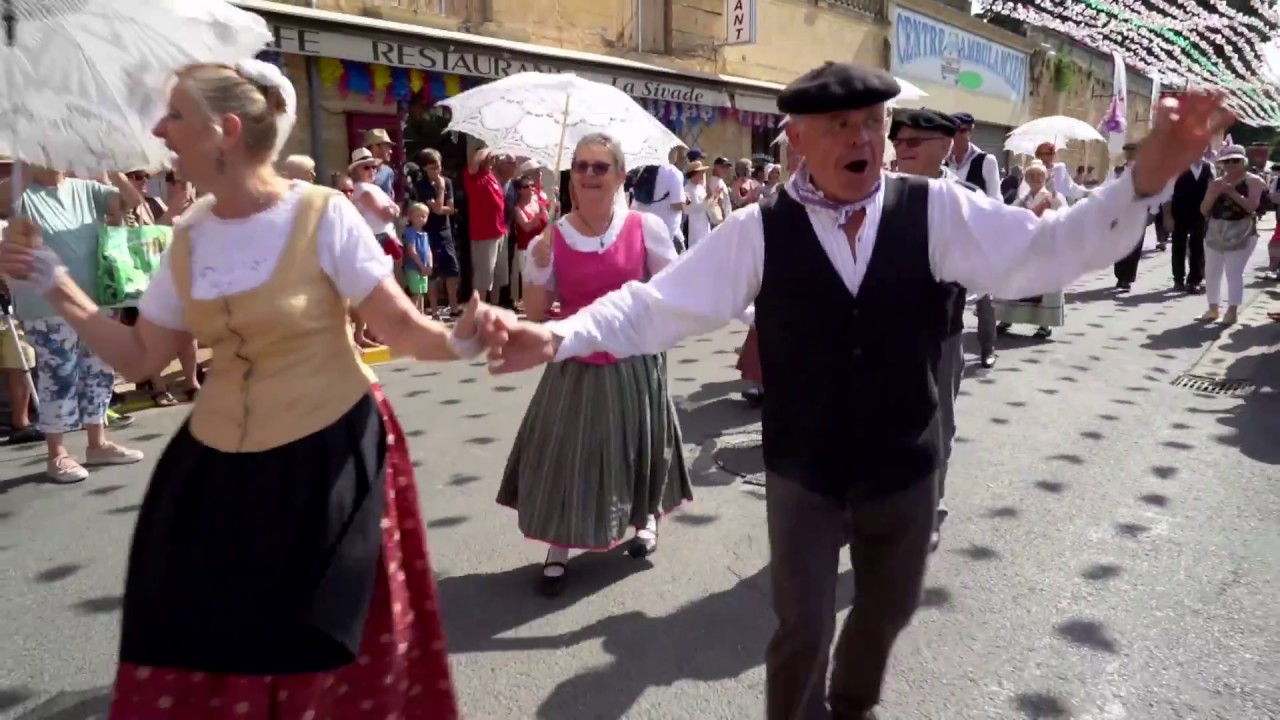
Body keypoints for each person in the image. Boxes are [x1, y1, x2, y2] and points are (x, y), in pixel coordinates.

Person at [474, 63, 1229, 719]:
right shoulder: (758, 227)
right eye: (839, 125)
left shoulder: (934, 207)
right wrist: (559, 336)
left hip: (905, 464)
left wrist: (1146, 179)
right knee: (801, 629)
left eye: (873, 121)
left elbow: (1046, 251)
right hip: (804, 471)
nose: (862, 139)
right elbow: (657, 304)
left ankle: (853, 704)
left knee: (888, 608)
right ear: (796, 139)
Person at [0, 59, 479, 719]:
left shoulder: (320, 213)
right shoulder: (188, 236)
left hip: (329, 451)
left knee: (320, 639)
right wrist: (58, 284)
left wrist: (465, 339)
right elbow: (141, 358)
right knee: (198, 630)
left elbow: (400, 325)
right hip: (217, 466)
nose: (161, 129)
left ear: (224, 130)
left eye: (176, 116)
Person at [501, 132, 688, 597]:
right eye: (580, 166)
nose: (587, 175)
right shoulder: (552, 236)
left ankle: (645, 520)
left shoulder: (647, 229)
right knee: (568, 453)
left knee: (640, 444)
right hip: (575, 358)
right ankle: (560, 545)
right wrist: (537, 266)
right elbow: (538, 312)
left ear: (621, 176)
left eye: (600, 167)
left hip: (634, 359)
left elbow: (673, 294)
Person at [0, 164, 147, 483]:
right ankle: (57, 454)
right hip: (46, 303)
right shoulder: (20, 191)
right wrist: (25, 168)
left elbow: (130, 202)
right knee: (59, 374)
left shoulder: (86, 188)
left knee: (99, 371)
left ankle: (98, 444)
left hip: (97, 298)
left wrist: (110, 168)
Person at [891, 108, 977, 553]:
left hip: (939, 334)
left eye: (912, 143)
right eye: (898, 143)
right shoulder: (875, 196)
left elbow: (984, 266)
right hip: (882, 335)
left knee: (936, 424)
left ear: (944, 146)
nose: (900, 151)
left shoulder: (963, 199)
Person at [947, 112, 1002, 368]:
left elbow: (996, 199)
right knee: (949, 294)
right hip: (949, 235)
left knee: (983, 297)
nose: (960, 135)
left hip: (978, 235)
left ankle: (988, 347)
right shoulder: (944, 162)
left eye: (965, 130)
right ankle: (949, 350)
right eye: (955, 130)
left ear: (971, 132)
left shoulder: (985, 160)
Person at [994, 161, 1068, 339]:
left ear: (1045, 178)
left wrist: (1054, 206)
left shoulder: (1053, 198)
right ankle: (1007, 317)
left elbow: (1064, 218)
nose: (1035, 179)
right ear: (1026, 179)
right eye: (1031, 176)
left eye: (1039, 176)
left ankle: (1045, 324)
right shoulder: (1022, 199)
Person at [1198, 144, 1265, 324]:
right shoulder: (1216, 182)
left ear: (1244, 162)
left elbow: (1252, 206)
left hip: (1241, 232)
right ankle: (1213, 309)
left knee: (1233, 273)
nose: (1231, 164)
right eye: (1227, 161)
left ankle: (1232, 311)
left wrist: (1230, 191)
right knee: (1211, 272)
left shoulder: (1254, 181)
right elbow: (1204, 210)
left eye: (1236, 161)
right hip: (1215, 231)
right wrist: (1212, 194)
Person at [414, 149, 462, 317]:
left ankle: (454, 307)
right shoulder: (423, 185)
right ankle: (434, 309)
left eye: (439, 166)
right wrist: (440, 189)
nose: (437, 171)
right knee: (433, 272)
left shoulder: (447, 181)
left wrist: (442, 207)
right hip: (430, 232)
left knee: (452, 270)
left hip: (446, 231)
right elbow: (436, 209)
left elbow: (449, 209)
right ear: (425, 168)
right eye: (433, 167)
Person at [464, 147, 511, 305]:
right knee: (483, 279)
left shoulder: (491, 176)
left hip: (500, 233)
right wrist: (488, 147)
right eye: (490, 158)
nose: (493, 161)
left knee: (497, 277)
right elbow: (474, 163)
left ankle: (494, 310)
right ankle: (479, 314)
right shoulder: (472, 176)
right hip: (484, 235)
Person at [1166, 149, 1215, 293]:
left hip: (1200, 213)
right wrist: (1168, 216)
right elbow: (1167, 195)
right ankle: (1178, 279)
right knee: (1178, 245)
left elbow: (1212, 190)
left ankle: (1194, 279)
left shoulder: (1208, 167)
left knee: (1198, 246)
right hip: (1179, 212)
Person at [1110, 143, 1148, 290]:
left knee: (1135, 245)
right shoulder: (1118, 170)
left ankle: (1128, 277)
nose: (1130, 155)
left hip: (1138, 212)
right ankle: (1120, 276)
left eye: (1133, 152)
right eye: (1128, 153)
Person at [403, 202, 433, 314]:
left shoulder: (425, 234)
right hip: (413, 267)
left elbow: (429, 251)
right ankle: (410, 315)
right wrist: (421, 266)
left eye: (423, 216)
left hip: (424, 268)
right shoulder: (410, 232)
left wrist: (429, 265)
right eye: (417, 216)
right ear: (411, 217)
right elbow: (411, 250)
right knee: (415, 292)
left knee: (421, 292)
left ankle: (421, 313)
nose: (421, 218)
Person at [683, 160, 715, 249]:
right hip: (695, 227)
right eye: (700, 173)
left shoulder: (700, 188)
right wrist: (707, 199)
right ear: (693, 174)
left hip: (704, 223)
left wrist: (713, 198)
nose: (702, 175)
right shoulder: (687, 189)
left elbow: (707, 206)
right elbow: (688, 209)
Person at [364, 128, 397, 202]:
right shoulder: (360, 169)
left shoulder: (388, 171)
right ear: (375, 147)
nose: (391, 151)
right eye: (387, 147)